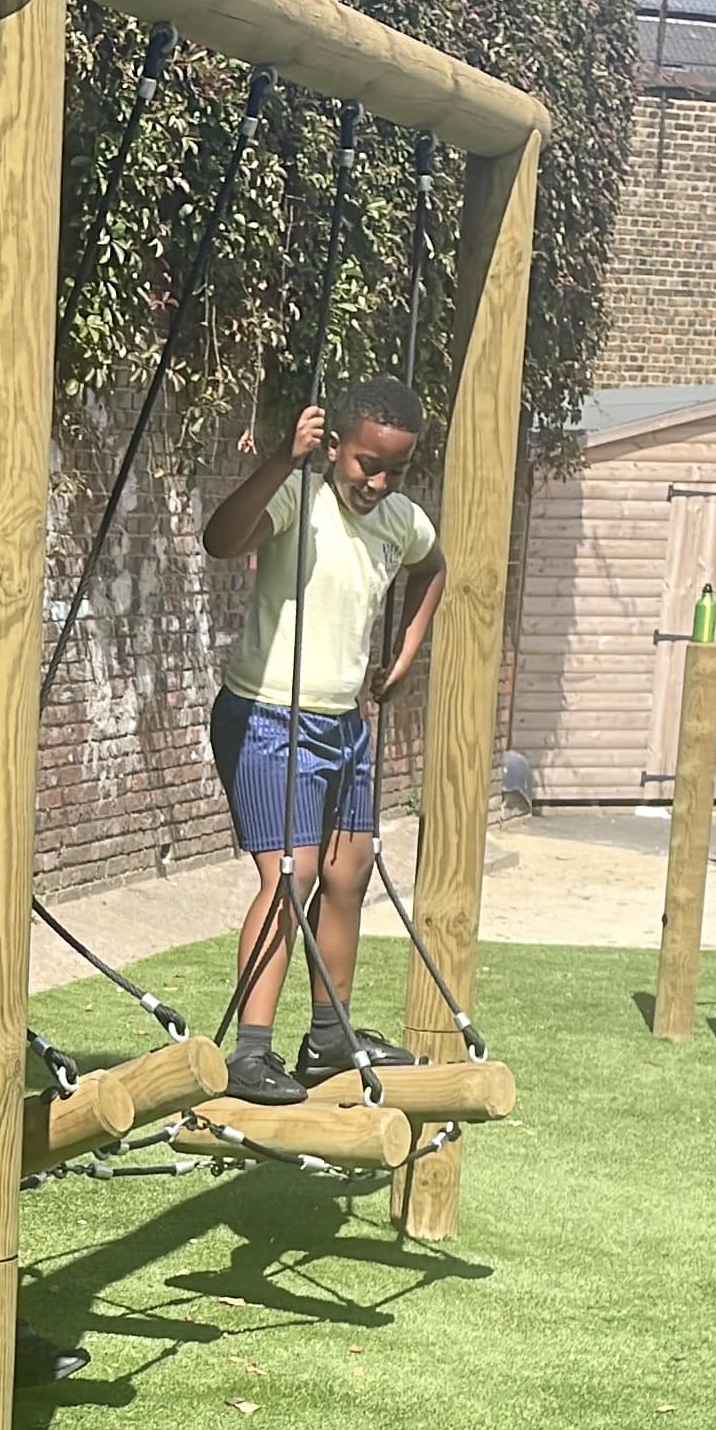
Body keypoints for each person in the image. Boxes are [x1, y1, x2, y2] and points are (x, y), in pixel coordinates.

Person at [196, 382, 444, 1104]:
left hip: (343, 724)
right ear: (334, 446)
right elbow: (221, 539)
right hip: (268, 717)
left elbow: (435, 567)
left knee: (348, 872)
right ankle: (250, 1052)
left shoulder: (399, 520)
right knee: (291, 876)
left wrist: (406, 651)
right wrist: (280, 458)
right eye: (367, 463)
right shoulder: (296, 499)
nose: (379, 482)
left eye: (396, 469)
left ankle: (330, 1039)